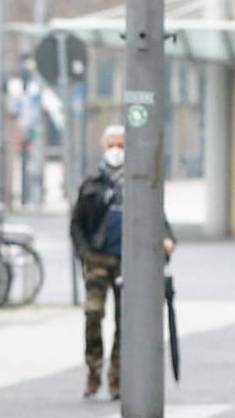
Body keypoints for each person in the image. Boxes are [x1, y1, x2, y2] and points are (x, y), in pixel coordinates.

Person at [69, 125, 173, 400]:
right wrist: (85, 254)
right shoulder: (92, 183)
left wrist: (165, 239)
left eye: (121, 145)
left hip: (131, 262)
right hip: (97, 260)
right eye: (111, 144)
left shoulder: (139, 183)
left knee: (125, 321)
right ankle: (94, 369)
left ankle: (117, 376)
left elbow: (157, 217)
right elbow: (76, 224)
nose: (116, 150)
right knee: (93, 314)